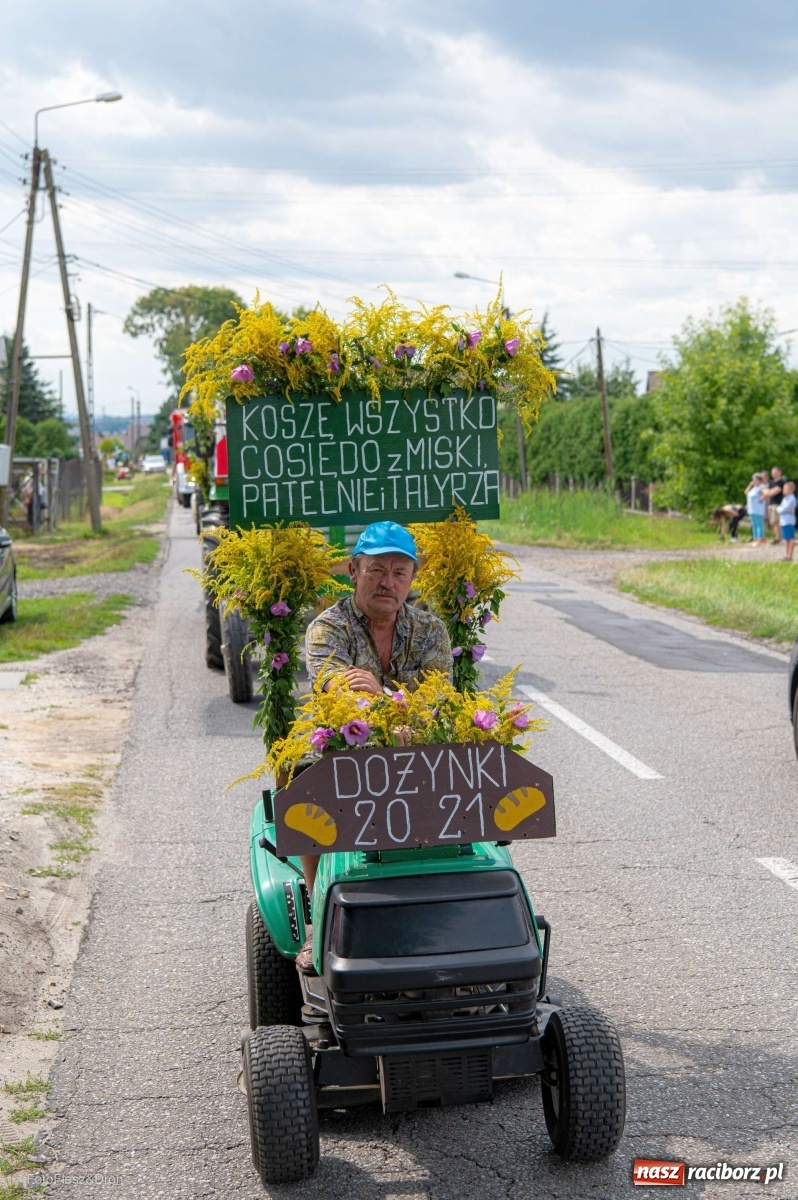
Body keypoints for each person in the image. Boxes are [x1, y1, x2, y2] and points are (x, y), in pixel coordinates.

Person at [296, 520, 453, 971]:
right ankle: (316, 918)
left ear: (412, 579)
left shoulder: (430, 630)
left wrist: (383, 695)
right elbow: (338, 692)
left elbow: (436, 698)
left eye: (399, 572)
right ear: (353, 570)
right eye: (376, 569)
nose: (388, 581)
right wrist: (399, 708)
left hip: (416, 741)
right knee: (309, 779)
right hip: (346, 742)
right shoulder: (328, 628)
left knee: (468, 765)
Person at [762, 466, 785, 545]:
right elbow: (765, 491)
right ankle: (776, 536)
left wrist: (768, 492)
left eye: (775, 472)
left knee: (776, 522)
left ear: (779, 472)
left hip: (777, 503)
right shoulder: (772, 482)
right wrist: (768, 492)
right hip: (771, 503)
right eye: (772, 472)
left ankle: (778, 538)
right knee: (772, 522)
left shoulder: (781, 482)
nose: (773, 474)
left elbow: (774, 492)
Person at [745, 473, 768, 546]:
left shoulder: (761, 487)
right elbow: (746, 492)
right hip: (752, 509)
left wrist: (762, 498)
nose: (753, 481)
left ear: (759, 480)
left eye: (755, 480)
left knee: (759, 525)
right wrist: (750, 485)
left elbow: (766, 493)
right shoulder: (754, 487)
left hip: (758, 509)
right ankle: (755, 539)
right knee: (754, 525)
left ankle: (759, 539)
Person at [778, 480, 796, 561]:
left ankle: (790, 555)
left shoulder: (791, 499)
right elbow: (780, 508)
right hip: (784, 520)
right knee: (786, 539)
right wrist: (780, 509)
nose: (784, 490)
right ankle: (786, 554)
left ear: (791, 490)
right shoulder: (785, 498)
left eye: (786, 489)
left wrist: (780, 509)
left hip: (789, 521)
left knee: (790, 538)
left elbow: (782, 509)